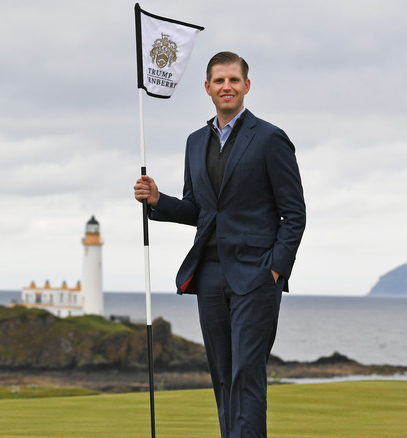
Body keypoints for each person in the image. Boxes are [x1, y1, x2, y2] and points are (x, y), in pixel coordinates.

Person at [134, 51, 306, 438]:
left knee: (247, 374)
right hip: (209, 276)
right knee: (224, 377)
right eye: (218, 81)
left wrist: (275, 269)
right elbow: (200, 210)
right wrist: (159, 201)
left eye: (233, 80)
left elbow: (294, 213)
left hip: (256, 276)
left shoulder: (270, 138)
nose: (226, 86)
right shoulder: (195, 142)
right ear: (207, 88)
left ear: (246, 86)